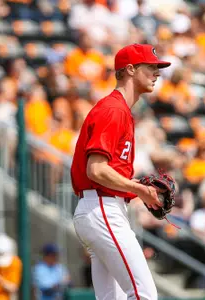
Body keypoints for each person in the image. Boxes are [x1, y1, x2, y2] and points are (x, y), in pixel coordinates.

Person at [71, 43, 171, 300]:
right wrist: (138, 188)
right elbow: (96, 170)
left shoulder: (120, 110)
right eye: (150, 67)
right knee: (143, 294)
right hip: (102, 207)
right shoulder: (113, 110)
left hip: (101, 208)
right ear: (129, 69)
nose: (156, 73)